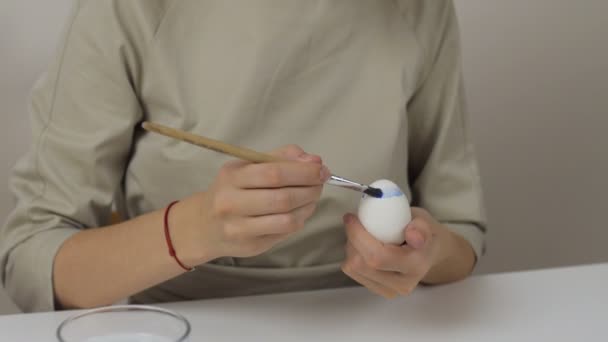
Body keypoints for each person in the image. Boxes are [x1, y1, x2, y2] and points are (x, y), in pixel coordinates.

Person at [0, 0, 486, 313]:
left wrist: (427, 251)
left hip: (381, 322)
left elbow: (460, 234)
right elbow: (32, 265)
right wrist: (195, 229)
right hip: (181, 323)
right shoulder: (128, 9)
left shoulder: (421, 9)